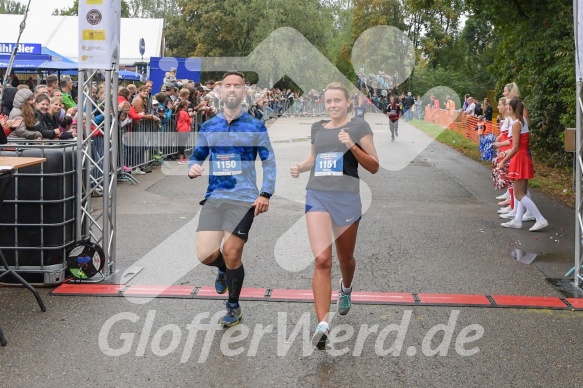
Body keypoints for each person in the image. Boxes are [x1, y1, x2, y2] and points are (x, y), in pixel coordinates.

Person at [290, 82, 379, 350]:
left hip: (347, 198)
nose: (332, 106)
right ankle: (322, 324)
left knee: (346, 259)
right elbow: (314, 158)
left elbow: (373, 165)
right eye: (328, 101)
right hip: (317, 194)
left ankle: (347, 287)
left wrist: (351, 145)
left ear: (347, 103)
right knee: (321, 259)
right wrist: (300, 167)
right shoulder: (317, 127)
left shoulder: (359, 128)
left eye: (337, 101)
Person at [188, 71, 276, 327]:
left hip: (244, 198)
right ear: (220, 92)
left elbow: (269, 162)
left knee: (232, 252)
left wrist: (265, 192)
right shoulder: (209, 126)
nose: (233, 89)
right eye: (228, 85)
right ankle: (224, 269)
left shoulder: (255, 126)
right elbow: (197, 156)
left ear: (244, 92)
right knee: (205, 254)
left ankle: (233, 306)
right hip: (215, 196)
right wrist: (192, 168)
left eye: (238, 86)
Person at [498, 98, 548, 231]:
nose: (506, 108)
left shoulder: (515, 124)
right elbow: (520, 145)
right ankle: (517, 220)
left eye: (508, 106)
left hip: (519, 158)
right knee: (522, 192)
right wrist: (506, 153)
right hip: (523, 156)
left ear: (511, 109)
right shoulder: (523, 121)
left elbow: (515, 148)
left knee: (519, 194)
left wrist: (503, 160)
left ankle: (540, 219)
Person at [176, 100, 193, 164]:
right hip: (184, 130)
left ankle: (181, 158)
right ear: (185, 106)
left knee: (180, 144)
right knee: (182, 145)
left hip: (180, 130)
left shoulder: (179, 112)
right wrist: (190, 116)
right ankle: (181, 159)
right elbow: (189, 122)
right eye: (187, 105)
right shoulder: (184, 113)